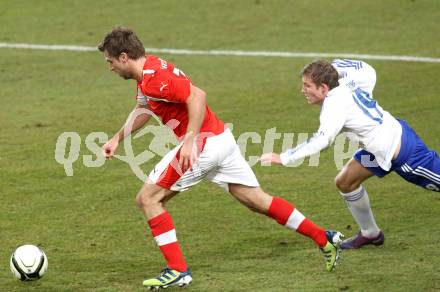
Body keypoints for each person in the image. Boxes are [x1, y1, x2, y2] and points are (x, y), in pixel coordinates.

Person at [98, 27, 344, 289]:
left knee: (148, 198)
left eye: (110, 62)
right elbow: (144, 107)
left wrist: (190, 139)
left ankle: (178, 270)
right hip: (221, 140)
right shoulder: (149, 72)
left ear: (124, 57)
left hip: (203, 146)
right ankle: (323, 238)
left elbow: (197, 96)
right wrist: (117, 139)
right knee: (257, 201)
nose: (110, 67)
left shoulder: (154, 79)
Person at [260, 59, 440, 250]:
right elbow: (367, 70)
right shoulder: (349, 82)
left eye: (307, 85)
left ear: (323, 87)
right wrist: (333, 66)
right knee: (345, 182)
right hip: (376, 151)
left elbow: (322, 140)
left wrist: (284, 157)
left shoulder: (334, 106)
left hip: (404, 154)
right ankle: (371, 233)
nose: (303, 90)